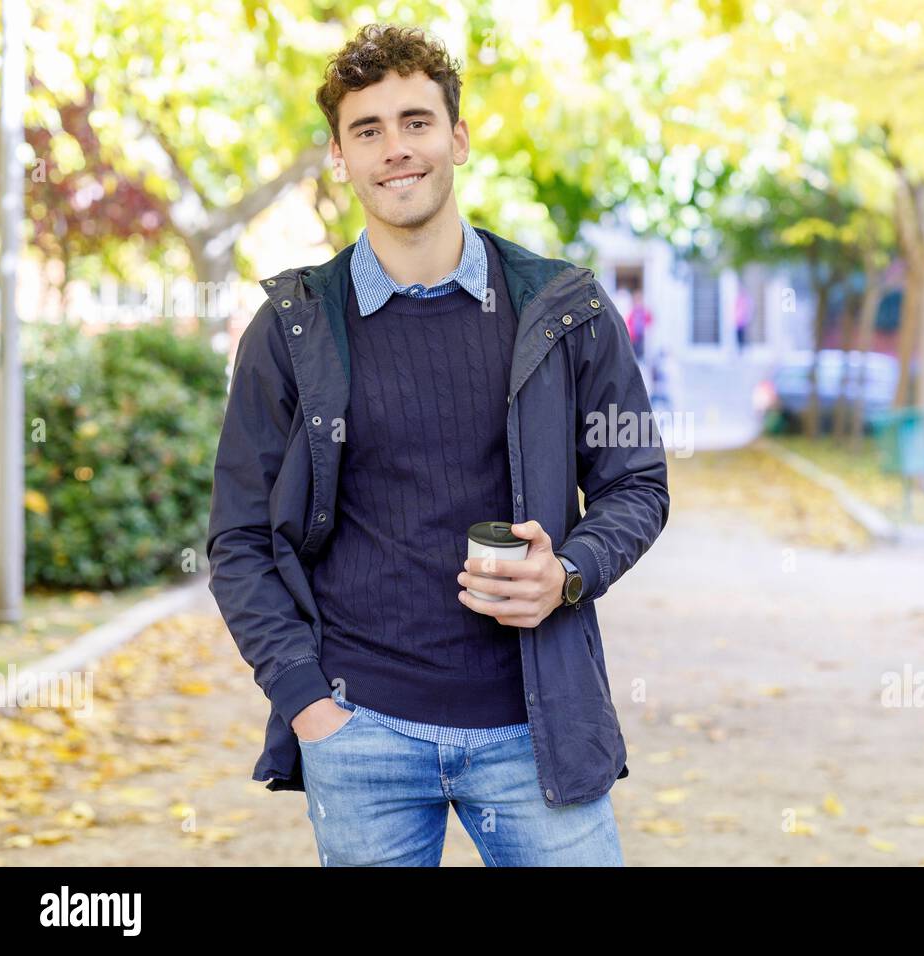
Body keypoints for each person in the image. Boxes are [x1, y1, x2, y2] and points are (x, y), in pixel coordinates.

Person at [205, 24, 670, 867]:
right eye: (367, 130)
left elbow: (637, 482)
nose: (396, 150)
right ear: (340, 158)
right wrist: (310, 706)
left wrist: (566, 574)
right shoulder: (293, 328)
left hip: (536, 729)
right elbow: (237, 541)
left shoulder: (565, 309)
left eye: (416, 122)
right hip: (361, 734)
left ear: (457, 137)